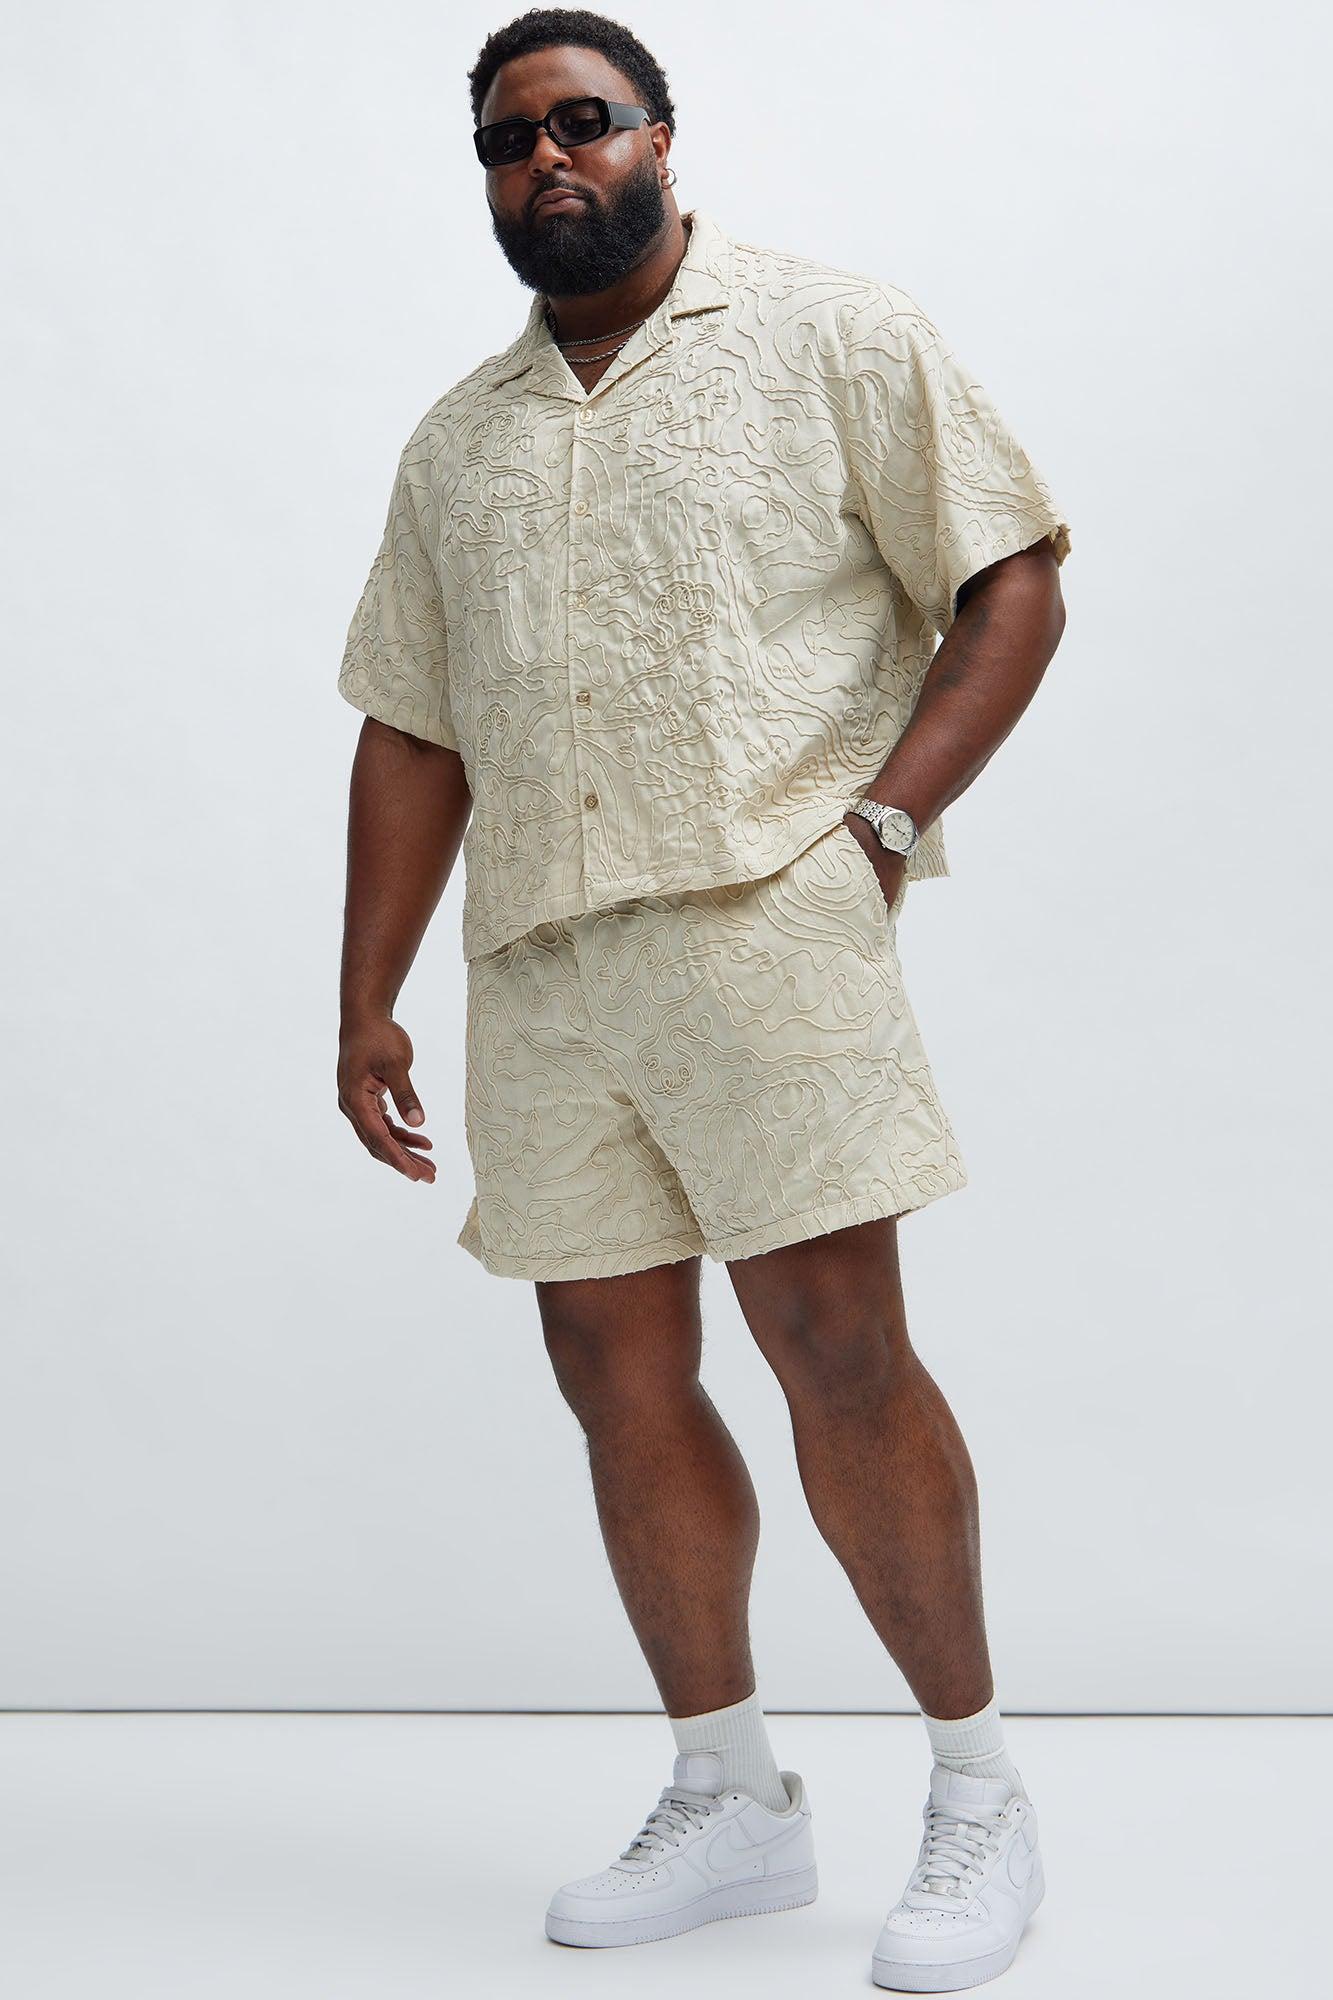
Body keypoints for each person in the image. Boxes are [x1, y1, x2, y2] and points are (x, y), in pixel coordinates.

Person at [335, 8, 1069, 1989]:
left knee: (836, 1345)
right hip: (544, 963)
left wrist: (885, 826)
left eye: (582, 122)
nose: (548, 160)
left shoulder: (831, 337)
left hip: (765, 921)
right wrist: (365, 996)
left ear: (661, 135)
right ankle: (728, 1791)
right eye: (510, 141)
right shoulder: (459, 442)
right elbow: (411, 723)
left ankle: (978, 1791)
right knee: (612, 1372)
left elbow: (1009, 576)